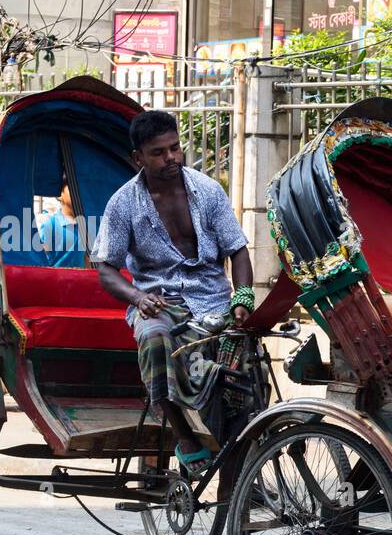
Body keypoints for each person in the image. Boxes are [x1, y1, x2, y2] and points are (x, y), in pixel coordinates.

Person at [91, 110, 254, 476]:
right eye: (159, 153)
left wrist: (243, 298)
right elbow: (106, 269)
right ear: (139, 158)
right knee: (154, 337)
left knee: (247, 374)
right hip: (158, 303)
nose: (171, 159)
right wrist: (137, 298)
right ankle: (184, 438)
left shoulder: (208, 191)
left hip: (213, 299)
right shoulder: (122, 204)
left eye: (175, 149)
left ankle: (244, 469)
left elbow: (238, 250)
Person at [37, 180, 85, 267]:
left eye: (80, 189)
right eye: (72, 188)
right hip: (55, 279)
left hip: (80, 279)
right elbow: (40, 260)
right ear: (60, 194)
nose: (77, 192)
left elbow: (86, 259)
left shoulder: (85, 226)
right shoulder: (50, 225)